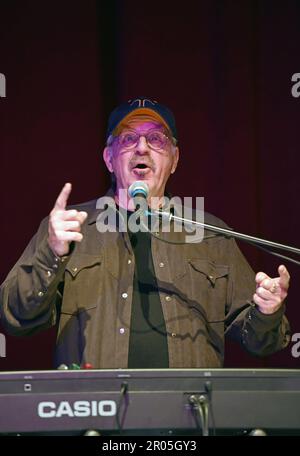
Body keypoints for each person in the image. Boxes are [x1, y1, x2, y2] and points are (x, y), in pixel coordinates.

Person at [0, 97, 291, 369]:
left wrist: (267, 311)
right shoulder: (69, 227)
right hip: (97, 414)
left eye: (156, 139)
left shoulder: (210, 235)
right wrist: (51, 254)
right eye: (128, 138)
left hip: (190, 414)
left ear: (174, 160)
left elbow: (261, 342)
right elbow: (16, 317)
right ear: (109, 158)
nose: (142, 148)